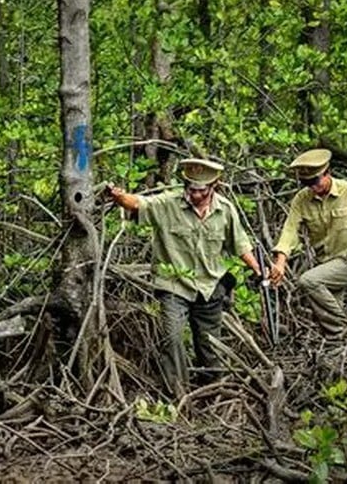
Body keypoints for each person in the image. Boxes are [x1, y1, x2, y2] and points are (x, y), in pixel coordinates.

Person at [107, 158, 261, 397]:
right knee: (172, 337)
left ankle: (213, 391)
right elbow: (138, 204)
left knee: (210, 343)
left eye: (200, 190)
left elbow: (241, 245)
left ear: (214, 187)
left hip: (210, 286)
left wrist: (259, 270)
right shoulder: (168, 203)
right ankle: (178, 394)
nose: (193, 194)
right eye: (189, 188)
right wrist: (118, 196)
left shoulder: (225, 210)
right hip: (174, 285)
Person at [269, 148, 347, 337]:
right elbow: (289, 231)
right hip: (325, 263)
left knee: (308, 281)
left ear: (327, 173)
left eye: (314, 181)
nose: (311, 186)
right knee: (328, 320)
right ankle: (340, 350)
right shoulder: (302, 199)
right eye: (305, 182)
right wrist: (280, 261)